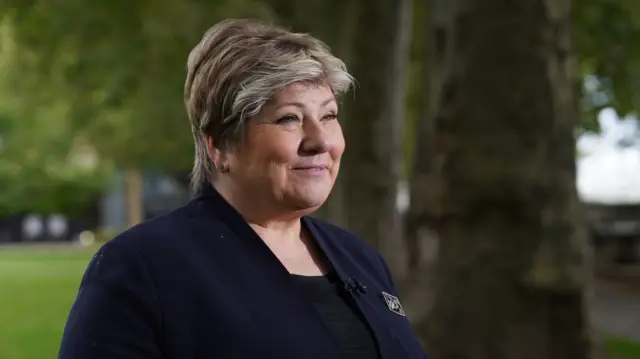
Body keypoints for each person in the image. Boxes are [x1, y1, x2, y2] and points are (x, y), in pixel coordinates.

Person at [57, 18, 428, 359]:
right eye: (289, 119)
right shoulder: (144, 269)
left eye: (328, 115)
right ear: (219, 145)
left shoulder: (361, 259)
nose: (320, 141)